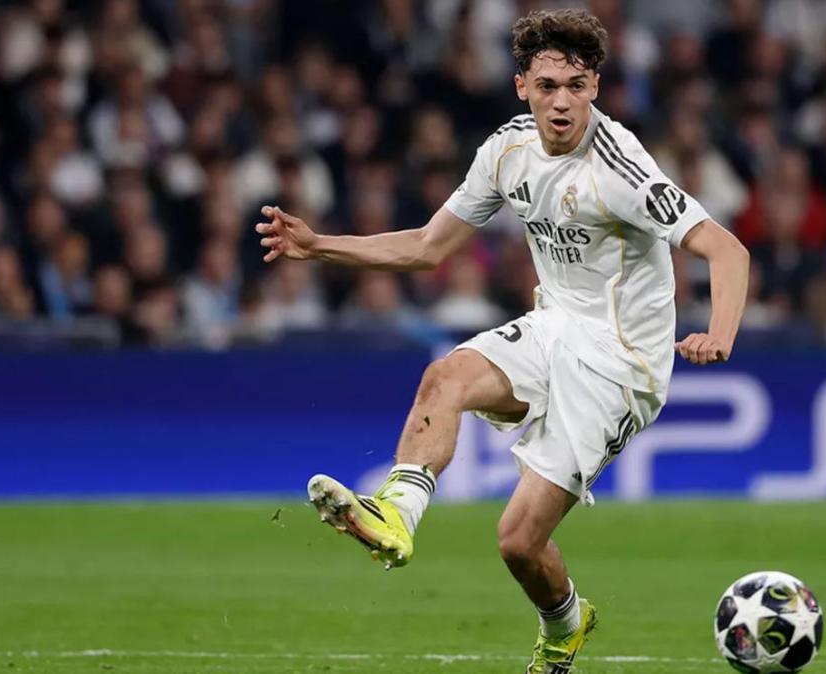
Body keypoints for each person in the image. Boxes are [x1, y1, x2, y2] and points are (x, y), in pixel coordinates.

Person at [254, 9, 749, 673]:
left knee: (517, 542)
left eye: (575, 86)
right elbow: (428, 246)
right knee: (445, 377)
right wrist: (319, 246)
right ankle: (397, 516)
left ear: (595, 87)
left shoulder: (620, 169)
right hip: (554, 325)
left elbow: (727, 249)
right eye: (547, 86)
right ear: (522, 87)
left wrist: (720, 333)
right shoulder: (507, 150)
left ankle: (565, 625)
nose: (561, 102)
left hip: (620, 365)